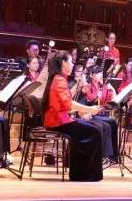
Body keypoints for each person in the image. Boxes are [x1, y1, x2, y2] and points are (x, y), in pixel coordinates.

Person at [42, 50, 103, 181]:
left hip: (61, 119)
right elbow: (69, 104)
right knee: (94, 131)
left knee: (94, 127)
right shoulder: (59, 80)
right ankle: (84, 174)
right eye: (70, 61)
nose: (73, 64)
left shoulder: (58, 78)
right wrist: (90, 109)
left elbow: (67, 102)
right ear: (63, 63)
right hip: (58, 121)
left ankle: (80, 173)